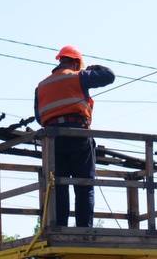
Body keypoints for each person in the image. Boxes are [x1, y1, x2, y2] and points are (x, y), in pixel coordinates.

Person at [34, 45, 115, 228]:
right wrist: (92, 69)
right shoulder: (79, 77)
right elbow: (109, 76)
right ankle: (84, 229)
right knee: (84, 185)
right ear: (76, 62)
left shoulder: (41, 86)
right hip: (78, 135)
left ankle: (60, 226)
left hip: (53, 140)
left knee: (59, 186)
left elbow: (39, 117)